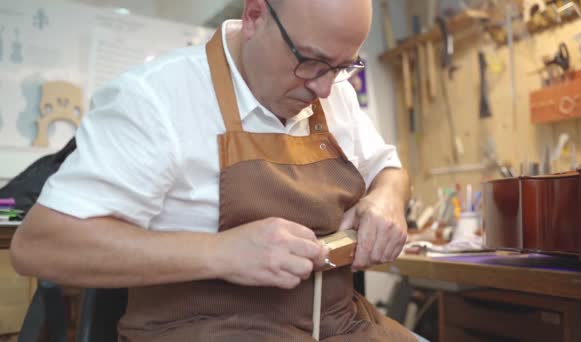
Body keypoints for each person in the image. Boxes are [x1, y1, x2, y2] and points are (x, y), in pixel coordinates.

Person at [10, 0, 421, 340]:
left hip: (339, 326)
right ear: (255, 16)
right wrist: (223, 253)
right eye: (311, 62)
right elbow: (40, 245)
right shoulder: (155, 98)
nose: (325, 89)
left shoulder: (335, 95)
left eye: (343, 67)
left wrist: (386, 199)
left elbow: (388, 167)